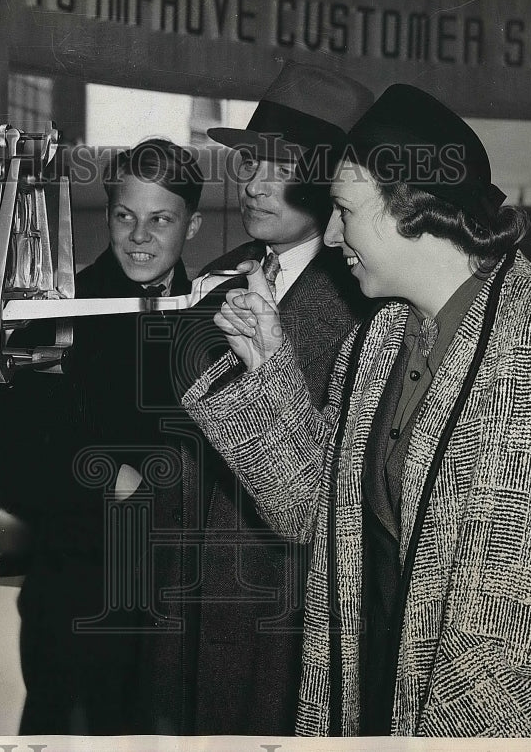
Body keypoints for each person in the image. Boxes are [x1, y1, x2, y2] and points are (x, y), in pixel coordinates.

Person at [182, 84, 531, 737]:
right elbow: (314, 512)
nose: (332, 235)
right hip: (372, 706)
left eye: (343, 210)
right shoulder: (377, 344)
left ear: (412, 209)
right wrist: (269, 369)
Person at [140, 61, 372, 735]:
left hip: (280, 612)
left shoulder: (366, 308)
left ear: (333, 182)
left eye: (281, 167)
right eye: (248, 162)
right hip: (183, 598)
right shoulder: (218, 277)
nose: (253, 183)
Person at [0, 137, 204, 735]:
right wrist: (107, 478)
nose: (140, 236)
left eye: (161, 219)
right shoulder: (59, 306)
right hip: (79, 596)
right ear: (106, 217)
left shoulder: (216, 316)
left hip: (180, 601)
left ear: (193, 226)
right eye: (126, 216)